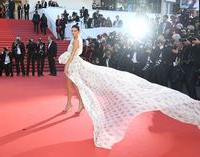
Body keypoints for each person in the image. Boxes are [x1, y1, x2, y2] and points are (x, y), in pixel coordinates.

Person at [58, 25, 200, 149]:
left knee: (76, 84)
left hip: (75, 64)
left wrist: (67, 65)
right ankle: (73, 103)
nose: (73, 32)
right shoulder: (74, 39)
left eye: (75, 30)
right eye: (72, 30)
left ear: (79, 31)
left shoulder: (77, 40)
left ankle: (75, 103)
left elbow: (72, 55)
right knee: (73, 84)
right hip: (75, 64)